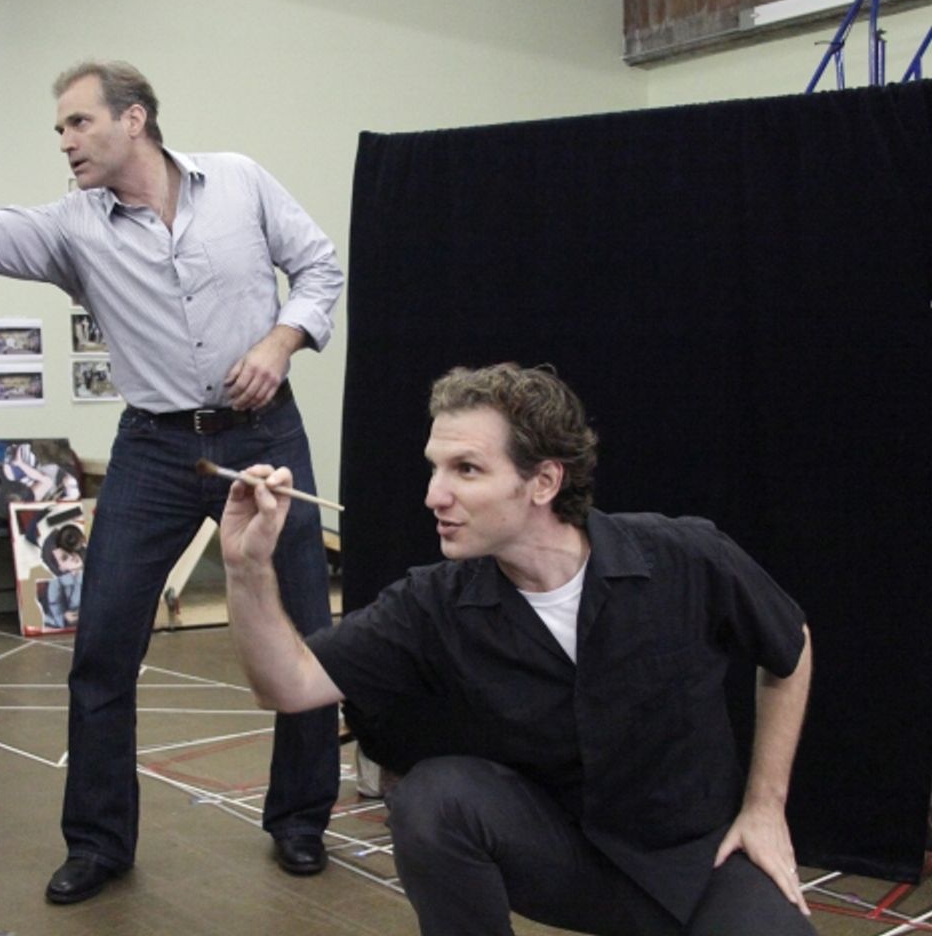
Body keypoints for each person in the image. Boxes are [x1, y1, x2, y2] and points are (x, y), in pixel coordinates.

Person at [0, 50, 342, 904]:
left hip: (265, 435)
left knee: (308, 631)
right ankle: (99, 844)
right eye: (60, 127)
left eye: (77, 122)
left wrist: (281, 343)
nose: (64, 140)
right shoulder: (74, 226)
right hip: (154, 449)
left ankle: (300, 821)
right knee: (101, 647)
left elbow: (319, 266)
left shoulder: (241, 182)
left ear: (133, 118)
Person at [219, 362, 816, 936]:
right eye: (435, 469)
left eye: (467, 470)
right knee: (434, 800)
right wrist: (246, 568)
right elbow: (289, 685)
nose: (434, 495)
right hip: (565, 859)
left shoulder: (682, 556)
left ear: (544, 482)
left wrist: (765, 806)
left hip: (695, 862)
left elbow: (790, 647)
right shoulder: (434, 604)